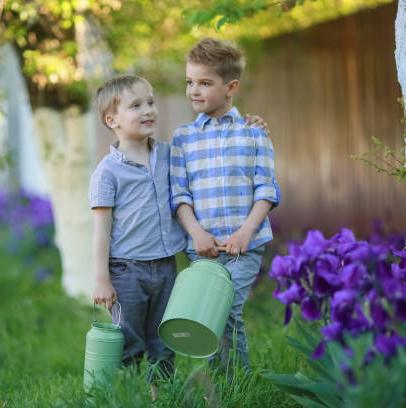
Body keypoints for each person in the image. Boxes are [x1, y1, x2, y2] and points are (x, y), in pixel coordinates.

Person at [89, 74, 270, 398]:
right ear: (112, 119)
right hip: (125, 271)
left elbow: (209, 146)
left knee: (163, 339)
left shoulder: (170, 154)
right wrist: (102, 278)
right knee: (130, 340)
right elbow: (101, 230)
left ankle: (161, 396)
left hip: (167, 267)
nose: (148, 110)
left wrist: (250, 124)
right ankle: (130, 398)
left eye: (150, 102)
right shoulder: (108, 172)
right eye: (136, 105)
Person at [170, 37, 281, 373]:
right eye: (189, 82)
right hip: (202, 246)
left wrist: (247, 231)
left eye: (205, 83)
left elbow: (267, 188)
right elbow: (180, 194)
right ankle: (212, 385)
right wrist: (196, 233)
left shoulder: (254, 134)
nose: (194, 90)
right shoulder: (183, 137)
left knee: (226, 310)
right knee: (206, 315)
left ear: (231, 86)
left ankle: (237, 385)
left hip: (243, 245)